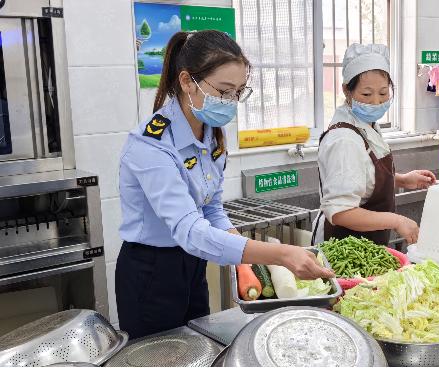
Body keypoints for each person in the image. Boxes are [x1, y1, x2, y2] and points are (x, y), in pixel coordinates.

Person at [116, 30, 333, 339]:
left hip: (192, 264)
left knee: (198, 346)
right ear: (187, 81)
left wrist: (244, 261)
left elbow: (212, 210)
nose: (230, 102)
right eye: (223, 90)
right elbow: (190, 230)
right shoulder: (151, 145)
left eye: (238, 92)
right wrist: (280, 254)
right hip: (151, 271)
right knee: (159, 355)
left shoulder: (211, 134)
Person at [312, 43, 437, 247]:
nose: (376, 102)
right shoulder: (344, 139)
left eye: (383, 93)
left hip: (365, 244)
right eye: (367, 94)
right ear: (346, 90)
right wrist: (396, 220)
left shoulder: (365, 126)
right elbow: (341, 212)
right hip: (341, 246)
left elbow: (362, 175)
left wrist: (402, 180)